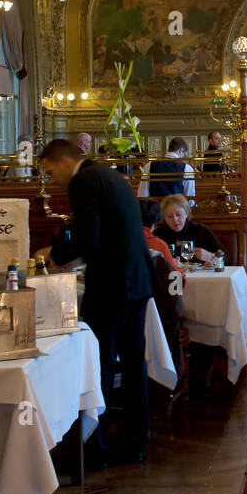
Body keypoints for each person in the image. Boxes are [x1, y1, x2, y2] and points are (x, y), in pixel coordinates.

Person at [35, 138, 153, 464]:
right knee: (132, 365)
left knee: (97, 363)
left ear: (62, 160)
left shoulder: (83, 181)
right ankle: (136, 442)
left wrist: (55, 255)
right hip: (137, 280)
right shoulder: (109, 175)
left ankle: (94, 449)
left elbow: (90, 236)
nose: (50, 179)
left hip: (112, 285)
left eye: (48, 171)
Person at [153, 193, 227, 263]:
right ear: (164, 218)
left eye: (178, 214)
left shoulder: (200, 231)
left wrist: (210, 256)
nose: (175, 219)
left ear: (186, 213)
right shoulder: (158, 234)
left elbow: (226, 257)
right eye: (169, 216)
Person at [139, 198, 186, 286]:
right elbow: (177, 283)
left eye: (178, 214)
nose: (175, 219)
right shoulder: (157, 244)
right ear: (154, 224)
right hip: (151, 298)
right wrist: (175, 267)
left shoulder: (119, 240)